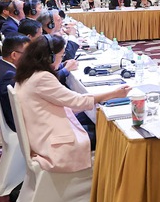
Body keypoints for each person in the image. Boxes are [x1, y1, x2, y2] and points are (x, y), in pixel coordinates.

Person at [14, 34, 129, 171]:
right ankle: (107, 177)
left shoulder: (27, 72)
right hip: (53, 144)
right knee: (110, 134)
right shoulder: (42, 78)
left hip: (40, 134)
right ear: (50, 57)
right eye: (61, 55)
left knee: (91, 121)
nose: (62, 59)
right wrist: (114, 94)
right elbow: (77, 101)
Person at [0, 34, 29, 131]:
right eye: (28, 54)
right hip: (17, 125)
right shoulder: (9, 75)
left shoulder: (1, 66)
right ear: (14, 55)